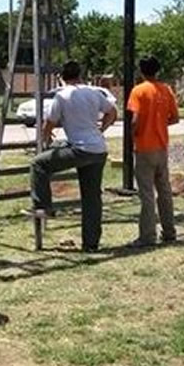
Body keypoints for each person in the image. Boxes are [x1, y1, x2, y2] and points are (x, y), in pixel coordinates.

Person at [29, 61, 118, 252]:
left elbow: (49, 123)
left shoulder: (62, 95)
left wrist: (45, 140)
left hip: (80, 149)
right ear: (80, 75)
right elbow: (112, 112)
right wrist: (102, 128)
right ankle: (91, 244)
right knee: (92, 197)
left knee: (38, 164)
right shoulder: (94, 92)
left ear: (62, 77)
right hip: (98, 150)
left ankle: (43, 206)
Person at [126, 55, 179, 247]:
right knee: (164, 191)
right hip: (161, 146)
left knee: (147, 194)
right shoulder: (166, 90)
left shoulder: (138, 91)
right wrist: (159, 123)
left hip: (144, 147)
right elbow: (175, 118)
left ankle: (148, 236)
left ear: (141, 70)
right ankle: (169, 231)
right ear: (158, 70)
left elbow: (135, 119)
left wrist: (134, 135)